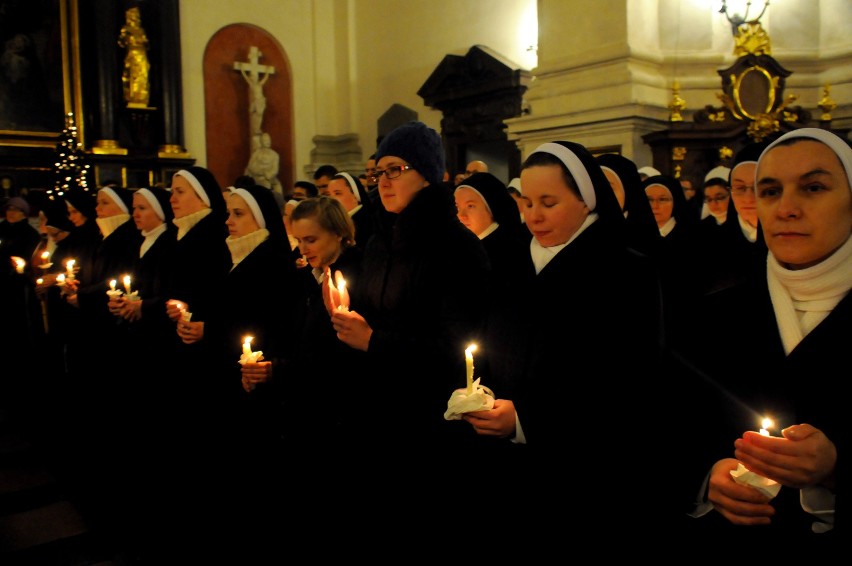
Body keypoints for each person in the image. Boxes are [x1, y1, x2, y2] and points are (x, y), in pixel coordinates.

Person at [458, 141, 671, 538]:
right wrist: (478, 394)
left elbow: (628, 382)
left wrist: (525, 420)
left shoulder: (626, 272)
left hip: (582, 473)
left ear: (586, 200)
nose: (534, 216)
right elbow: (487, 338)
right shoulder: (511, 260)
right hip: (499, 461)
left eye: (549, 203)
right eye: (527, 202)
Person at [676, 128, 851, 552]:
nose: (786, 209)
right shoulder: (713, 315)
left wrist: (834, 468)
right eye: (770, 191)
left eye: (813, 187)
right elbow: (671, 426)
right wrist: (707, 476)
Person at [328, 121, 491, 480]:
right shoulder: (378, 243)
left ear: (428, 174)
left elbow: (456, 348)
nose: (383, 181)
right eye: (379, 173)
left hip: (430, 422)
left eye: (395, 170)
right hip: (377, 412)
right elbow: (373, 318)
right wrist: (346, 318)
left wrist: (373, 340)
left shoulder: (457, 248)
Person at [597, 152, 662, 260]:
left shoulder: (654, 246)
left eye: (608, 188)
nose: (599, 194)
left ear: (628, 190)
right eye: (594, 186)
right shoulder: (575, 236)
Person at [327, 172, 376, 251]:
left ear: (355, 196)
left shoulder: (368, 224)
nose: (331, 200)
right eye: (329, 194)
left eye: (337, 193)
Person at [117, 6, 150, 107]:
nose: (135, 17)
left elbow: (146, 43)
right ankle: (132, 97)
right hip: (132, 55)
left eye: (136, 16)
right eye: (133, 15)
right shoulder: (126, 29)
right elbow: (121, 42)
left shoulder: (141, 30)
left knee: (143, 74)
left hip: (141, 54)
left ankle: (142, 97)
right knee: (132, 76)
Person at [0, 196, 40, 263]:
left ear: (24, 214)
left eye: (16, 210)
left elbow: (30, 258)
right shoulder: (1, 228)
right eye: (9, 209)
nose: (11, 212)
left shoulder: (31, 234)